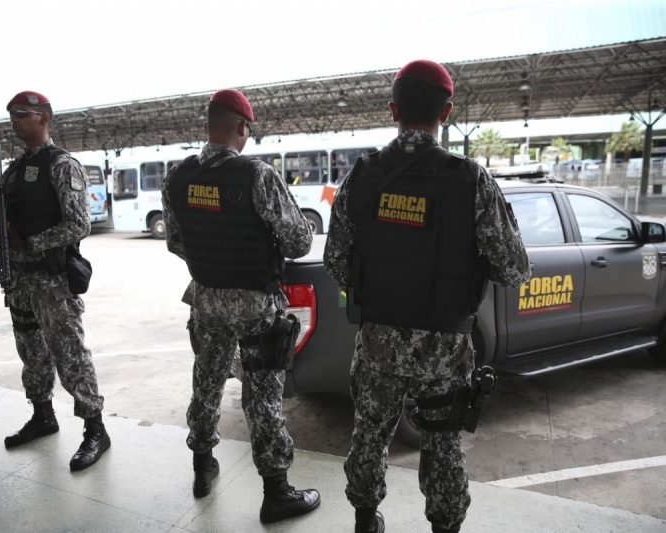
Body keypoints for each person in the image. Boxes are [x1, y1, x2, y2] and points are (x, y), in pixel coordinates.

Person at [324, 60, 530, 533]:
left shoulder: (361, 177)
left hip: (377, 341)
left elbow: (337, 261)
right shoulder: (472, 181)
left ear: (394, 109)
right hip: (445, 347)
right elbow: (514, 269)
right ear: (448, 111)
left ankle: (363, 519)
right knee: (441, 444)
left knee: (370, 434)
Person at [162, 89, 321, 523]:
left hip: (207, 299)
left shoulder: (177, 178)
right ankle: (276, 492)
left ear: (207, 125)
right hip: (255, 301)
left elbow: (176, 241)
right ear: (241, 127)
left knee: (207, 381)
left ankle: (202, 466)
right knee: (262, 397)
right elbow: (299, 240)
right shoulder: (257, 174)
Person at [0, 90, 110, 472]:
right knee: (32, 352)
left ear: (44, 118)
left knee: (70, 354)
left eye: (21, 113)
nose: (14, 119)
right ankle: (43, 414)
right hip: (21, 281)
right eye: (11, 114)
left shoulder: (61, 165)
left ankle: (95, 429)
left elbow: (79, 224)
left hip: (52, 279)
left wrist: (30, 243)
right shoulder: (12, 170)